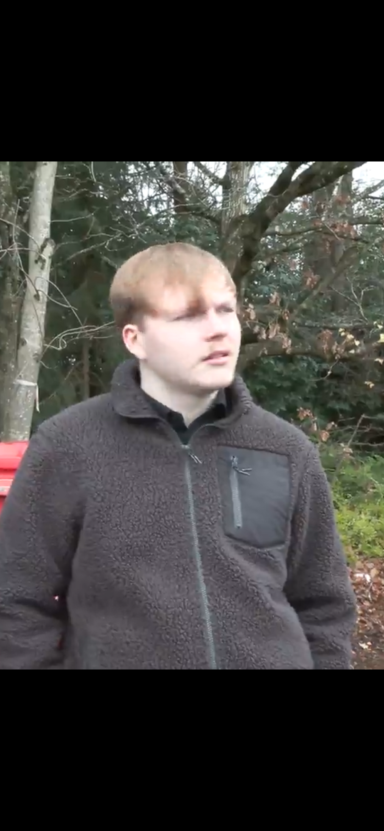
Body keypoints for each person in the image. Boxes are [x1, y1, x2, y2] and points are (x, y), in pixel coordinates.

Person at [0, 242, 357, 669]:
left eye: (226, 310)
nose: (218, 329)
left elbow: (325, 605)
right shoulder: (69, 445)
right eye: (188, 316)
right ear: (135, 339)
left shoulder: (284, 448)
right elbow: (16, 601)